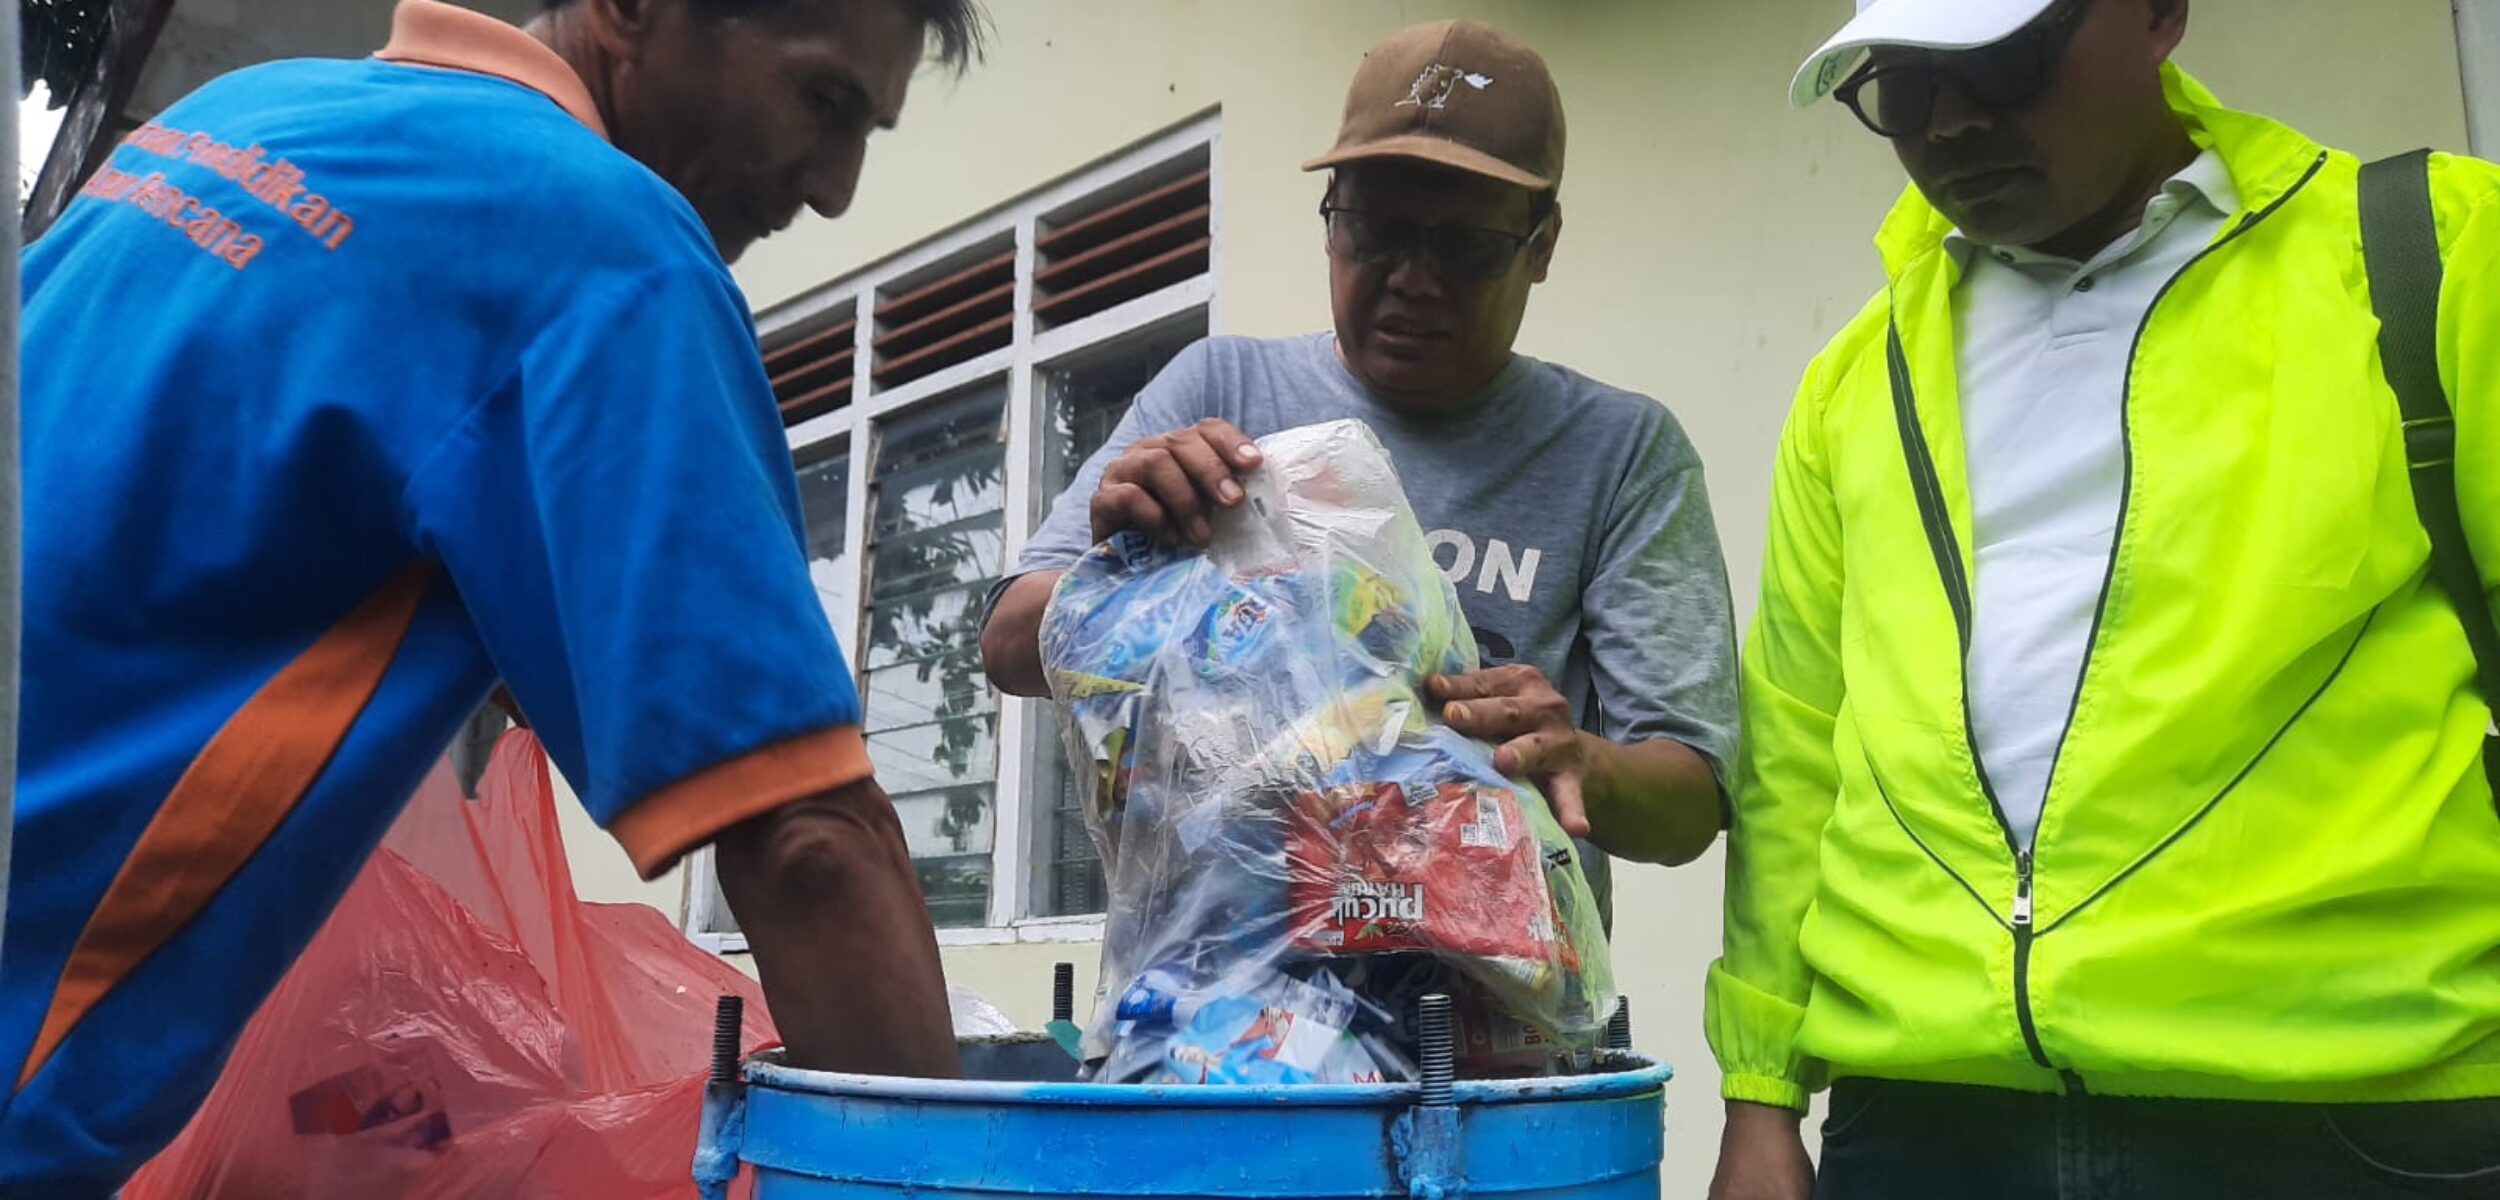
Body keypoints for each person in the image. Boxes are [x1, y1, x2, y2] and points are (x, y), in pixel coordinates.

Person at [4, 0, 987, 1191]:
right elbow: (808, 846)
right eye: (823, 102)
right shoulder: (600, 246)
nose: (835, 187)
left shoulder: (231, 125)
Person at [1709, 1, 2500, 1196]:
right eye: (1903, 87)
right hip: (1927, 1120)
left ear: (2159, 14)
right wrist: (1761, 1093)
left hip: (2351, 1105)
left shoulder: (2427, 254)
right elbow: (1798, 752)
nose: (1953, 121)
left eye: (2005, 59)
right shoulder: (1855, 379)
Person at [980, 18, 1741, 917]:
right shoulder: (1221, 389)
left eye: (1465, 248)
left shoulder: (1619, 452)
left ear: (1542, 246)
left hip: (1494, 1010)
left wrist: (1587, 763)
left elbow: (1691, 798)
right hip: (1221, 1003)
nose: (1414, 279)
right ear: (1330, 219)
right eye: (1375, 232)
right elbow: (1010, 647)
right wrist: (1119, 561)